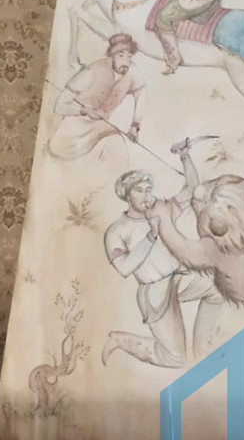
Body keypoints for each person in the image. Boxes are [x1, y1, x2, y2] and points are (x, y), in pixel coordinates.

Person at [102, 142, 224, 367]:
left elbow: (193, 190)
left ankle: (204, 352)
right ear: (127, 195)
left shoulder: (160, 210)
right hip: (155, 292)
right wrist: (151, 236)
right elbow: (125, 268)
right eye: (139, 190)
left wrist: (185, 157)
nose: (146, 195)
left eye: (148, 189)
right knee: (176, 359)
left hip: (181, 278)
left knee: (220, 288)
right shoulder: (117, 231)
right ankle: (120, 340)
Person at [47, 34, 146, 160]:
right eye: (121, 56)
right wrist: (83, 110)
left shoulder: (132, 71)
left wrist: (135, 126)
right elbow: (59, 106)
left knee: (116, 146)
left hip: (101, 126)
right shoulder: (91, 71)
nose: (125, 62)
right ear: (112, 56)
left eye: (129, 57)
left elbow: (141, 93)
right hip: (76, 127)